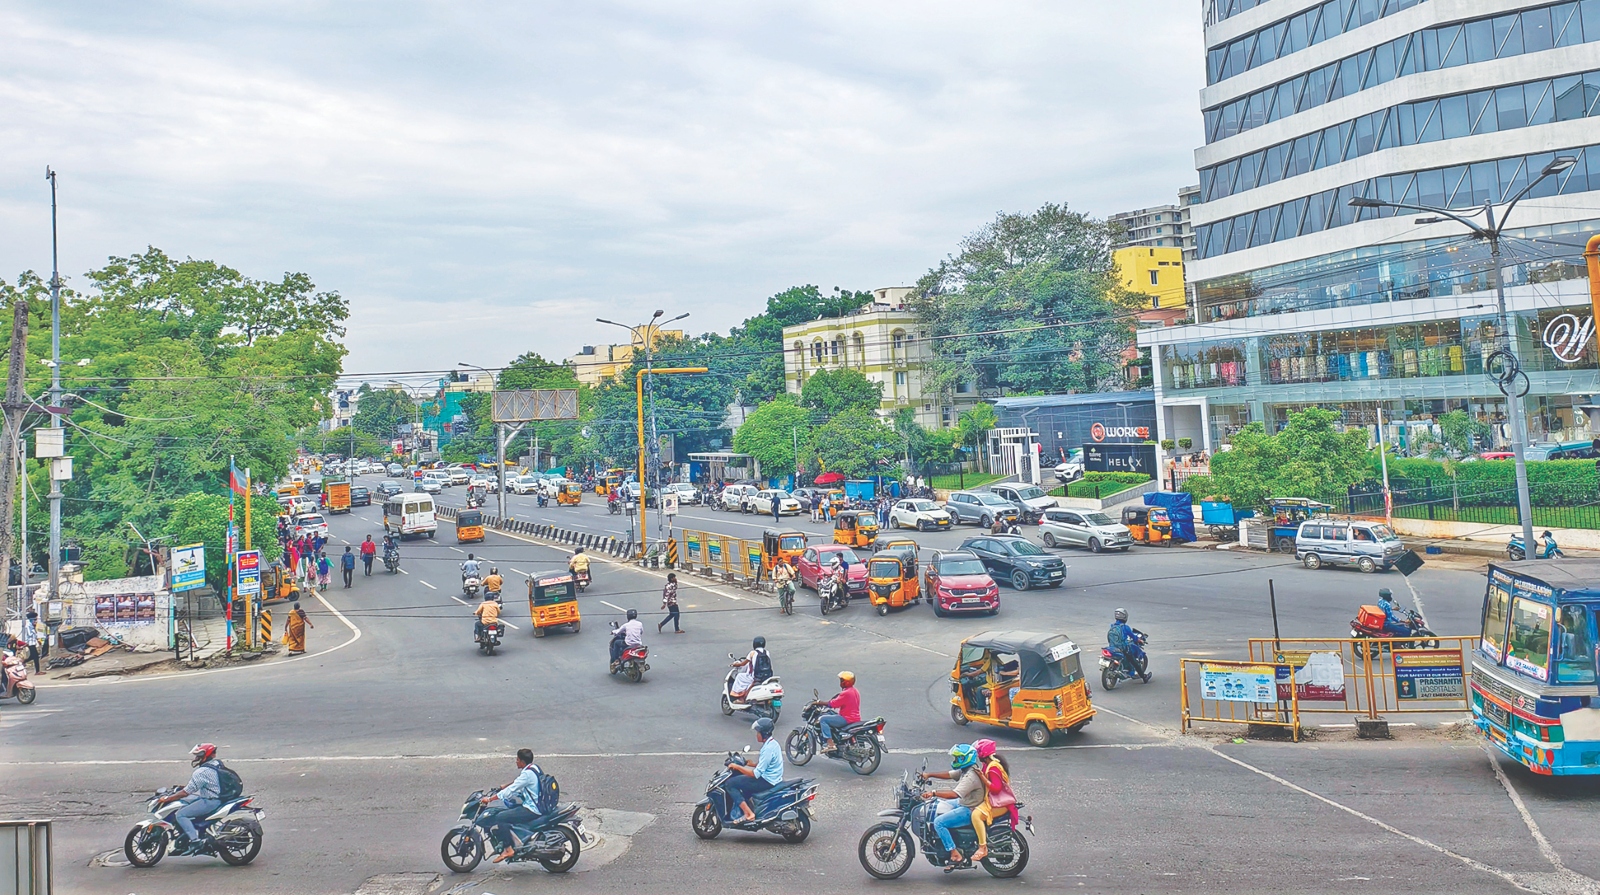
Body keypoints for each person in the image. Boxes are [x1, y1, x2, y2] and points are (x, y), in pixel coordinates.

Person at [921, 744, 985, 866]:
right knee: (940, 805)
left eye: (958, 758)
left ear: (965, 758)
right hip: (965, 802)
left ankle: (955, 853)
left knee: (938, 822)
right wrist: (929, 775)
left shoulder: (971, 777)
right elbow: (950, 774)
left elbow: (954, 794)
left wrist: (934, 793)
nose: (955, 761)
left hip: (969, 809)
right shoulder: (967, 769)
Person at [157, 744, 227, 853]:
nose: (196, 759)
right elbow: (196, 786)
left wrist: (168, 798)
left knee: (181, 814)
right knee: (186, 802)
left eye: (198, 756)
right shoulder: (216, 763)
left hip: (210, 801)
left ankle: (195, 841)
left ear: (205, 756)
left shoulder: (201, 772)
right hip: (219, 796)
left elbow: (185, 792)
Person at [480, 748, 545, 863]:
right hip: (538, 803)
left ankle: (508, 849)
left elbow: (512, 788)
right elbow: (518, 784)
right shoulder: (534, 768)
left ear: (522, 762)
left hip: (532, 809)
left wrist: (490, 799)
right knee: (509, 810)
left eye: (517, 759)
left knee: (500, 817)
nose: (516, 761)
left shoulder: (527, 774)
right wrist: (503, 787)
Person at [725, 718, 783, 823]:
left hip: (767, 781)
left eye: (758, 732)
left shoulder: (768, 749)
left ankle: (748, 813)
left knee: (730, 784)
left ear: (763, 734)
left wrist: (737, 767)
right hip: (773, 778)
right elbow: (768, 764)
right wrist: (752, 764)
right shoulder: (773, 744)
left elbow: (755, 774)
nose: (757, 735)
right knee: (743, 782)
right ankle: (750, 806)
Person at [967, 738, 1016, 862]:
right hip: (993, 801)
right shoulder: (988, 764)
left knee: (976, 816)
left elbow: (996, 789)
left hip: (1000, 804)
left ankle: (982, 848)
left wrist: (982, 778)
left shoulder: (993, 768)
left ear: (982, 754)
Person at [818, 670, 860, 755]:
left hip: (847, 718)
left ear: (846, 682)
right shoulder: (854, 691)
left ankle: (830, 744)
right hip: (855, 718)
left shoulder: (846, 693)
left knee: (823, 719)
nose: (840, 682)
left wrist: (819, 702)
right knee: (831, 714)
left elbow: (833, 704)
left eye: (842, 680)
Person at [729, 635, 772, 700]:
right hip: (767, 676)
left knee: (740, 676)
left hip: (755, 676)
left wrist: (736, 664)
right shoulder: (767, 652)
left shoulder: (752, 653)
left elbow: (743, 664)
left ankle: (738, 696)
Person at [1107, 608, 1145, 675]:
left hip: (1113, 648)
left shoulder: (1112, 626)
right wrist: (1139, 640)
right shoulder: (1125, 627)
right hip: (1123, 648)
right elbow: (1133, 637)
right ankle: (1143, 677)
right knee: (1134, 662)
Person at [20, 609, 42, 676]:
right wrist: (34, 628)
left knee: (33, 656)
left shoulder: (32, 626)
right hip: (30, 643)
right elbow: (30, 634)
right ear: (31, 620)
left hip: (33, 642)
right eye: (34, 620)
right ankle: (37, 671)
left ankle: (23, 661)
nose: (35, 621)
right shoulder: (28, 626)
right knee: (36, 657)